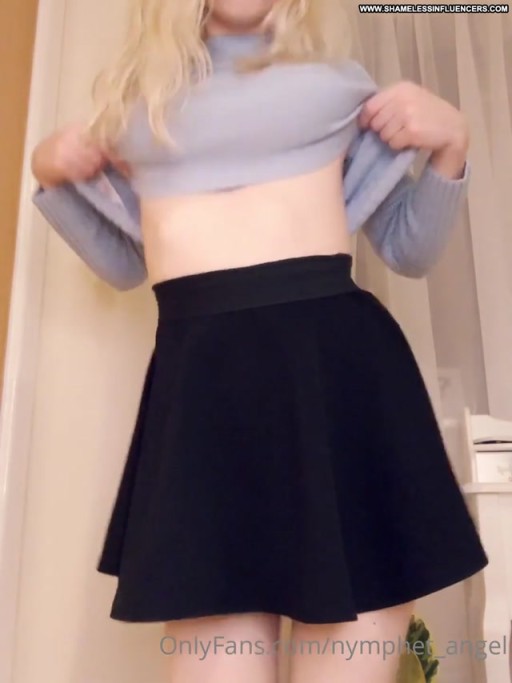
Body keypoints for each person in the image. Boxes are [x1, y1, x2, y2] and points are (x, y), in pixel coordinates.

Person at [30, 1, 488, 682]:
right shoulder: (138, 109)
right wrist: (51, 173)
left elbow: (407, 248)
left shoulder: (335, 86)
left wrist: (452, 143)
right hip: (205, 401)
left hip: (339, 382)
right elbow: (126, 264)